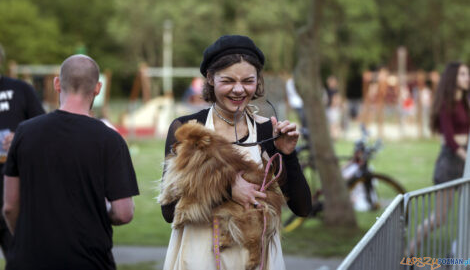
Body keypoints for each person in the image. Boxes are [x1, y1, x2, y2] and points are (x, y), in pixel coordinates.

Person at [160, 35, 312, 270]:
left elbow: (302, 208)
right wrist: (228, 189)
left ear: (258, 81)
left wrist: (288, 155)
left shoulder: (267, 131)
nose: (239, 89)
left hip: (256, 260)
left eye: (248, 81)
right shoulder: (188, 130)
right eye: (228, 80)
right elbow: (169, 211)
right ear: (210, 78)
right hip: (200, 257)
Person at [2, 54, 139, 270]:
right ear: (98, 88)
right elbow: (123, 213)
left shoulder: (24, 132)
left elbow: (9, 206)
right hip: (89, 260)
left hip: (28, 260)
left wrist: (24, 239)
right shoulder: (110, 140)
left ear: (57, 83)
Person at [408, 61, 469, 255]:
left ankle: (458, 253)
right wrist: (466, 158)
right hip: (450, 163)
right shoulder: (445, 103)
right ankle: (408, 253)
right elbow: (450, 140)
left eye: (467, 74)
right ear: (452, 78)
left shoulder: (465, 102)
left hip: (465, 160)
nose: (467, 78)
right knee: (440, 217)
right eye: (463, 74)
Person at [0, 45, 45, 256]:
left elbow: (44, 132)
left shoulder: (21, 89)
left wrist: (19, 140)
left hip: (15, 185)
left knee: (18, 255)